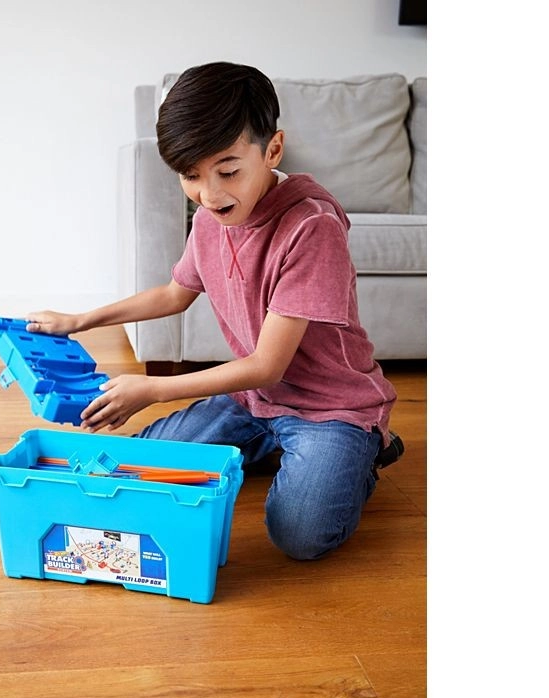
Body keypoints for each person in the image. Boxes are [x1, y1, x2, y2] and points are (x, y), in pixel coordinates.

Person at [26, 61, 402, 561]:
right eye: (191, 176)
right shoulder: (209, 217)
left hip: (327, 408)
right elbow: (174, 294)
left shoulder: (311, 226)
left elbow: (268, 364)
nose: (210, 194)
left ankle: (363, 452)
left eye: (228, 171)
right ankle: (276, 447)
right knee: (138, 466)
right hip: (252, 399)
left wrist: (152, 390)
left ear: (273, 150)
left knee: (300, 534)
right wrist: (80, 321)